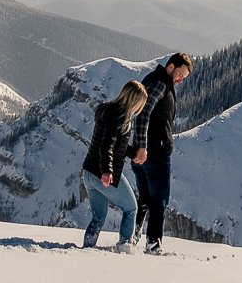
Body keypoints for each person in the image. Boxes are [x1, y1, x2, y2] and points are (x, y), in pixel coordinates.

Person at [128, 52, 193, 255]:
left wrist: (139, 146)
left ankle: (132, 237)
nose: (181, 80)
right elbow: (143, 112)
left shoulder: (156, 81)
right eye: (180, 74)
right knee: (159, 201)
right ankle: (153, 245)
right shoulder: (160, 83)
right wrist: (142, 146)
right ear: (171, 67)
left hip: (145, 154)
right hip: (154, 155)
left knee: (145, 199)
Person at [80, 81, 147, 250]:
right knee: (131, 208)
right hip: (101, 174)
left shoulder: (108, 110)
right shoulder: (121, 116)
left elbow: (117, 146)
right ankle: (124, 247)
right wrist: (107, 171)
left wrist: (135, 153)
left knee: (98, 217)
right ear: (134, 100)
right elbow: (107, 145)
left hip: (89, 172)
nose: (139, 108)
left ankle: (86, 249)